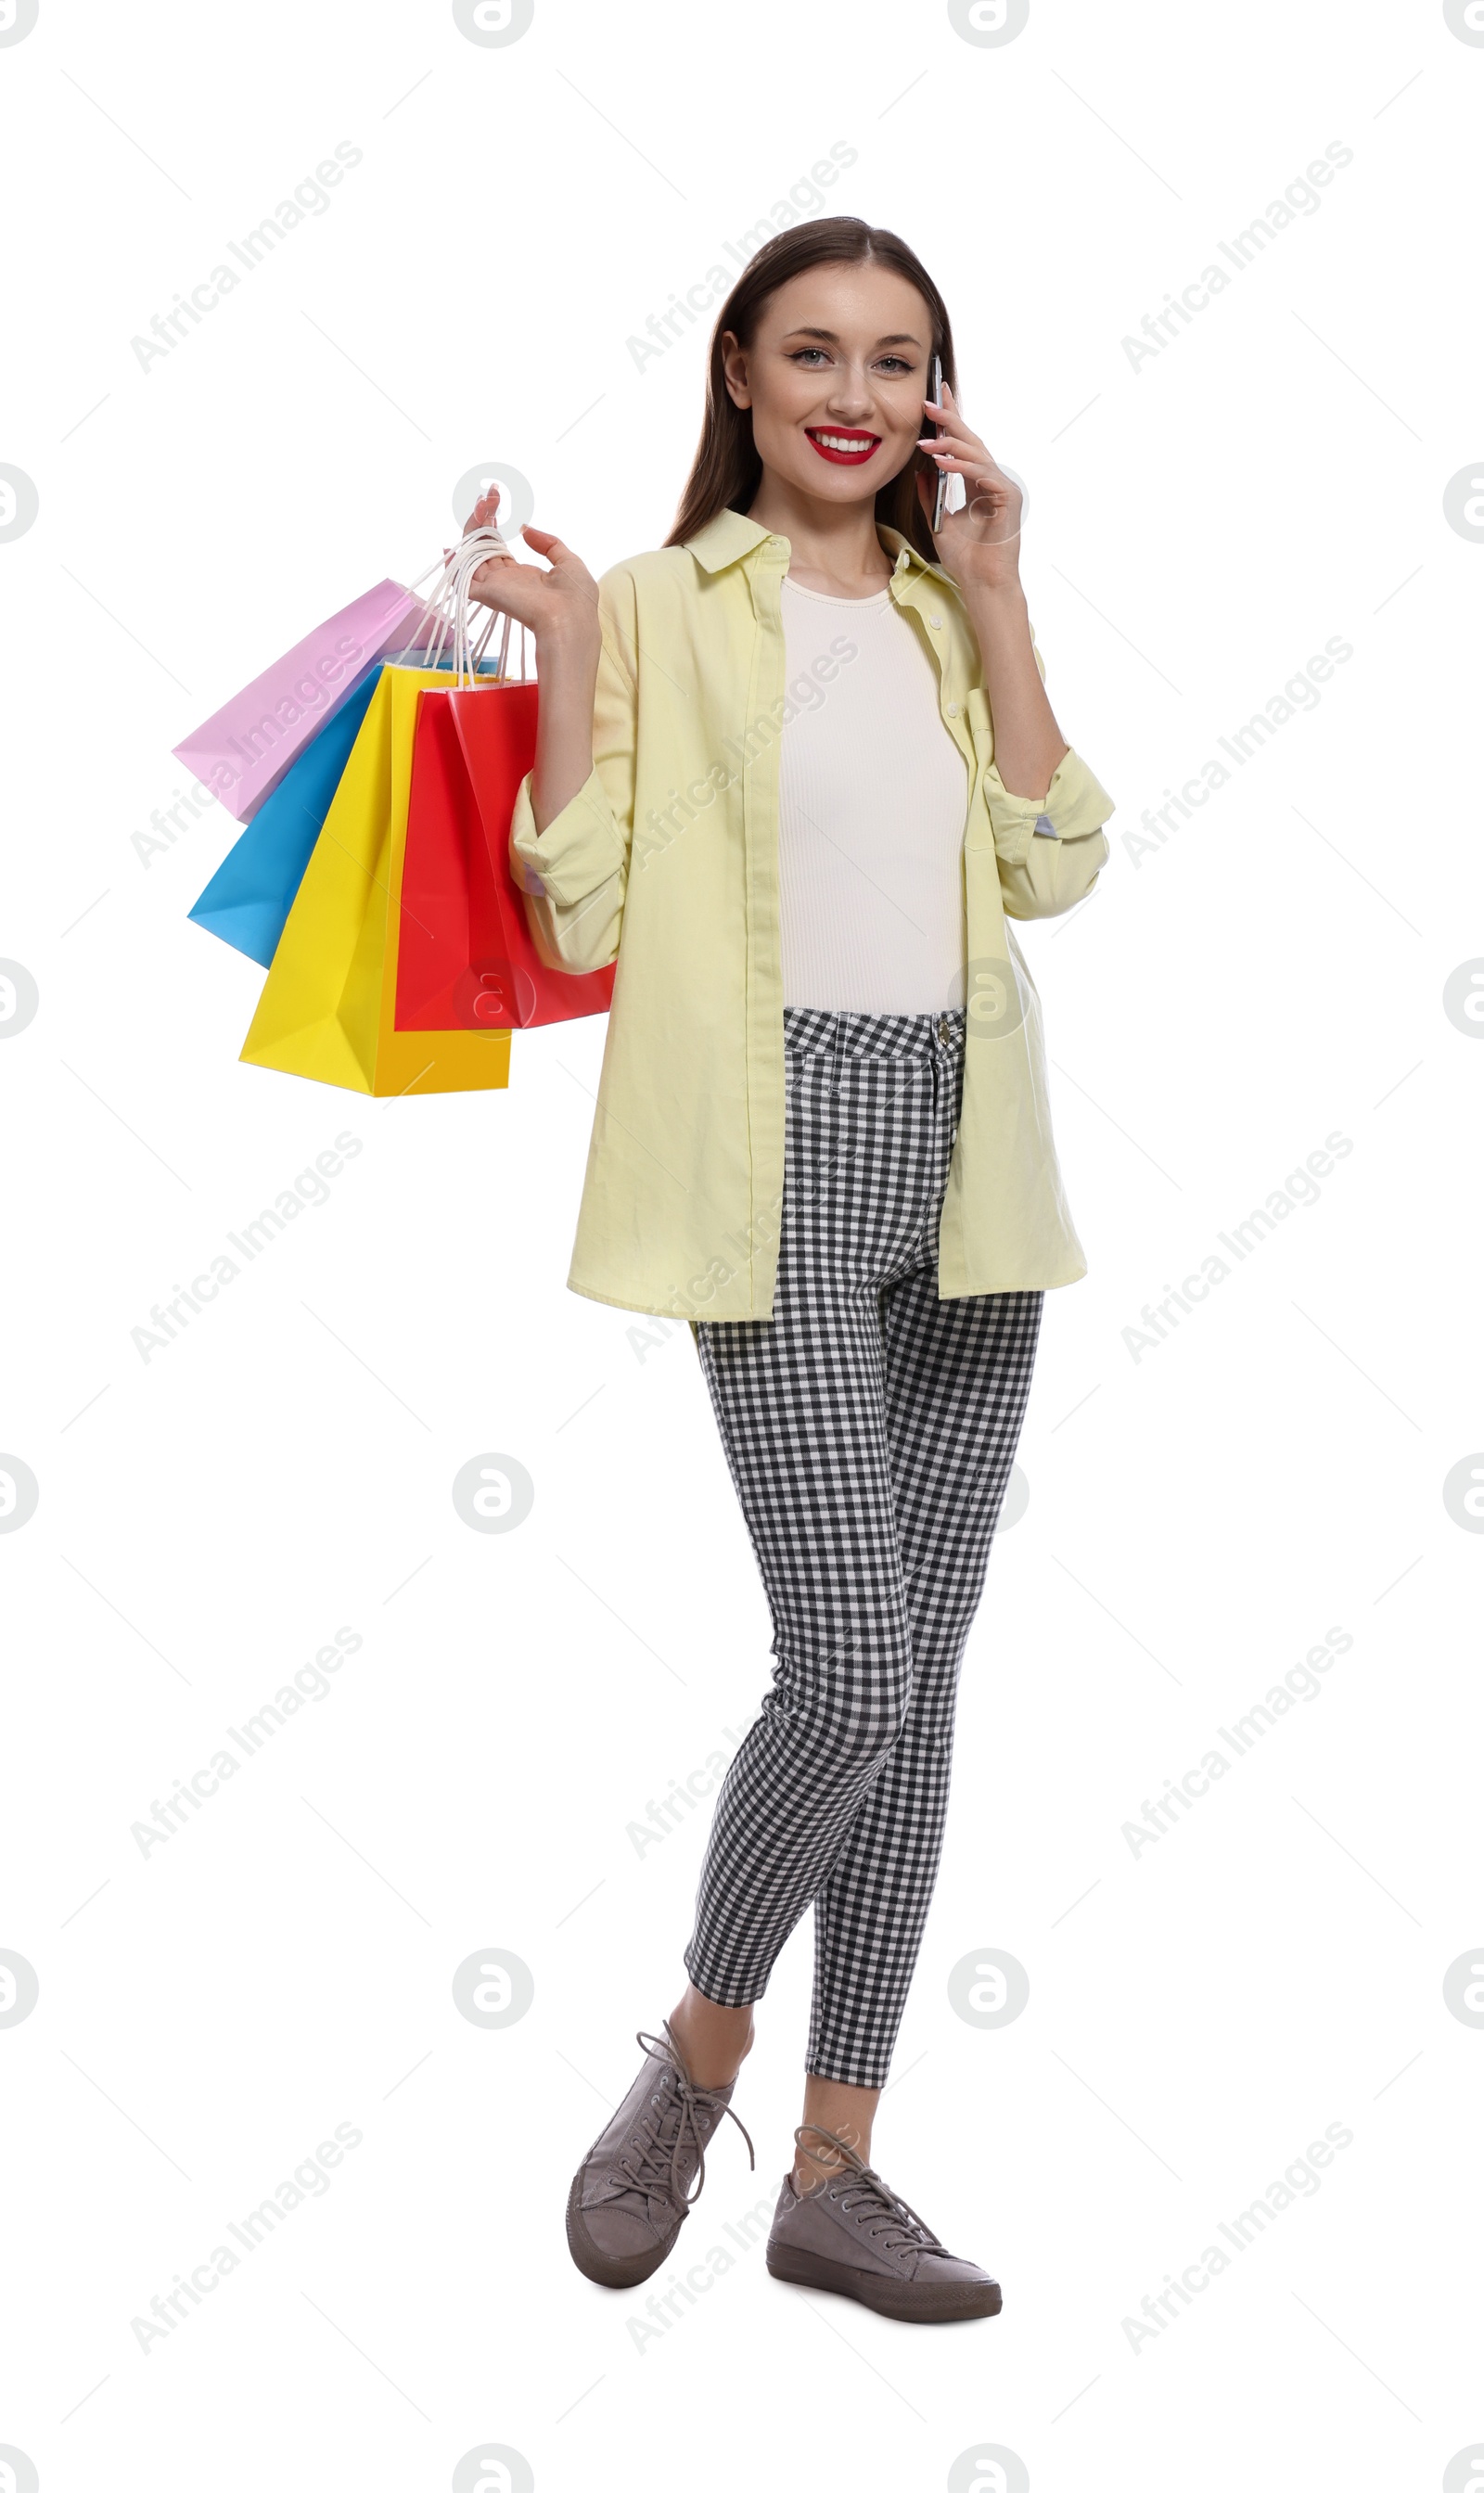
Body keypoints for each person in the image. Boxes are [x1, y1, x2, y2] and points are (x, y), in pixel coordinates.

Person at [467, 215, 1114, 2324]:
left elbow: (1053, 859)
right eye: (814, 351)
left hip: (966, 1168)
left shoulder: (938, 610)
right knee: (845, 1659)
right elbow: (569, 914)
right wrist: (567, 663)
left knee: (915, 1691)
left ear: (936, 398)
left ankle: (835, 2171)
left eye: (898, 359)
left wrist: (1002, 592)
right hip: (771, 1167)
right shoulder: (659, 602)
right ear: (738, 373)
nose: (855, 393)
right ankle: (697, 2059)